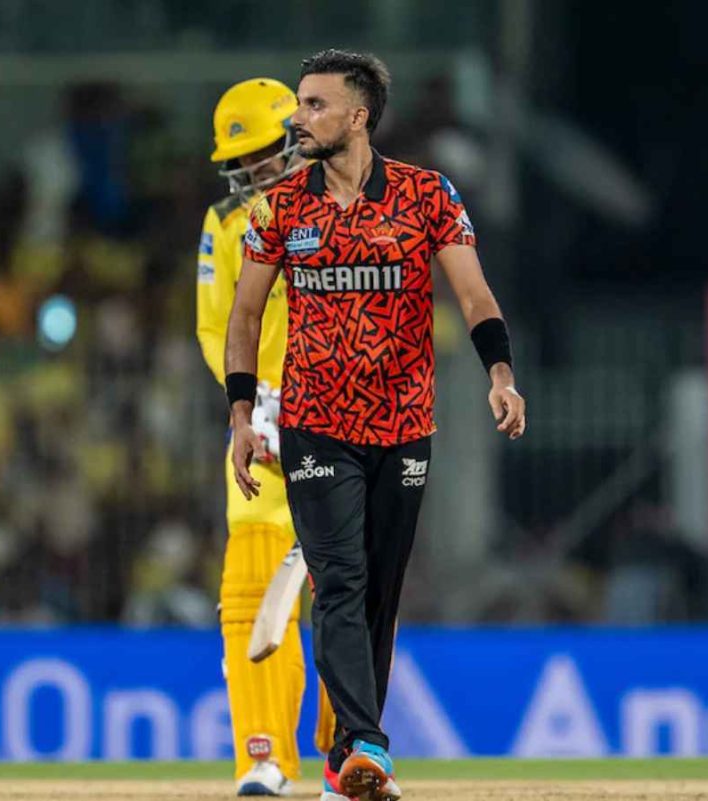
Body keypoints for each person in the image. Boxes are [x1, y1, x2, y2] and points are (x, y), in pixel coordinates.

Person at [224, 51, 526, 801]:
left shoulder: (427, 195)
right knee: (340, 581)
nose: (298, 118)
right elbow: (245, 315)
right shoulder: (280, 208)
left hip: (403, 425)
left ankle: (343, 762)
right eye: (299, 102)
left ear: (358, 117)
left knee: (377, 597)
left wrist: (499, 374)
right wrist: (240, 414)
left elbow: (475, 296)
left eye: (315, 105)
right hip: (315, 426)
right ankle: (366, 745)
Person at [196, 76, 335, 797]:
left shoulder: (350, 202)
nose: (252, 173)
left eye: (261, 156)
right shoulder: (226, 223)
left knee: (349, 592)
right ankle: (265, 757)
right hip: (262, 432)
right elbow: (215, 327)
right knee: (251, 586)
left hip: (345, 426)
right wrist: (248, 403)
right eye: (240, 163)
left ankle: (350, 750)